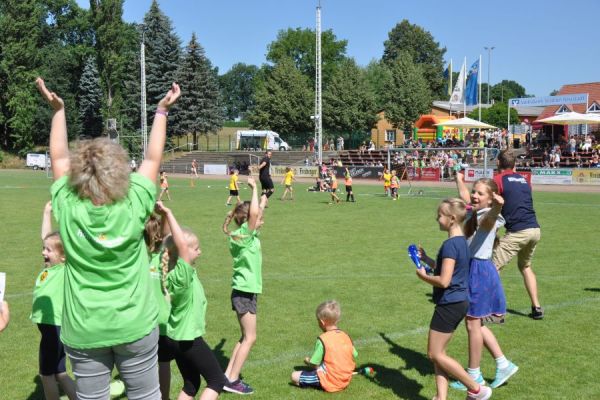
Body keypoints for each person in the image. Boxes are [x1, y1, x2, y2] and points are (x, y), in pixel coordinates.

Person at [37, 77, 180, 400]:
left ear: (79, 172)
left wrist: (58, 110)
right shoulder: (134, 203)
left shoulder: (69, 207)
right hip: (135, 325)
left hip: (84, 328)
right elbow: (153, 159)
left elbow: (59, 158)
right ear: (118, 171)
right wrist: (161, 111)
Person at [416, 198, 492, 400]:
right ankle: (441, 397)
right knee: (439, 352)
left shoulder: (450, 245)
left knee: (434, 354)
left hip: (449, 302)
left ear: (451, 219)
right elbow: (451, 270)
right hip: (459, 301)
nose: (436, 218)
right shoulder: (461, 243)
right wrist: (427, 260)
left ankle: (477, 389)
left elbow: (444, 280)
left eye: (439, 215)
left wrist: (423, 277)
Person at [450, 174, 519, 391]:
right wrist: (459, 179)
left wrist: (498, 207)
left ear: (491, 198)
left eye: (480, 193)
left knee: (472, 324)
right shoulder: (476, 211)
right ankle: (503, 364)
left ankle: (475, 376)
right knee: (476, 323)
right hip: (476, 270)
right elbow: (466, 199)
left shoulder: (488, 217)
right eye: (474, 191)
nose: (474, 195)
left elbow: (490, 217)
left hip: (479, 272)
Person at [157, 202, 226, 400]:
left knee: (191, 383)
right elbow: (178, 245)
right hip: (188, 339)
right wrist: (169, 213)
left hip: (174, 338)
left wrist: (165, 218)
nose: (200, 252)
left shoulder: (170, 269)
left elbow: (167, 241)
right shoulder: (182, 274)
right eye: (196, 249)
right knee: (216, 381)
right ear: (183, 253)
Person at [222, 177, 267, 395]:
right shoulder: (246, 236)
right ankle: (232, 380)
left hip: (243, 291)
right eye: (259, 218)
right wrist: (255, 188)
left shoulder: (241, 235)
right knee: (251, 337)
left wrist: (264, 197)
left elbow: (258, 213)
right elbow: (255, 215)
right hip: (245, 292)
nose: (262, 221)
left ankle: (228, 374)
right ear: (249, 219)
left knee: (244, 336)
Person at [30, 202, 77, 400]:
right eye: (44, 249)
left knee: (46, 375)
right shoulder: (49, 269)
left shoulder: (64, 269)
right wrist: (46, 213)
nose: (43, 253)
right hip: (51, 328)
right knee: (59, 372)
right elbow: (46, 237)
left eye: (48, 251)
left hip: (54, 327)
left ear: (64, 256)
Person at [492, 149, 543, 319]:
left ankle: (495, 309)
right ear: (515, 164)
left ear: (498, 163)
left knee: (493, 268)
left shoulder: (498, 180)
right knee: (525, 266)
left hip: (518, 231)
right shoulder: (523, 180)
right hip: (534, 229)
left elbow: (495, 206)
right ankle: (536, 307)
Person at [291, 300, 357, 392]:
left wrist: (308, 361)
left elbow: (315, 364)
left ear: (322, 322)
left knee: (294, 376)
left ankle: (321, 383)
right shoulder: (345, 336)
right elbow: (354, 354)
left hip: (331, 380)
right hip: (346, 378)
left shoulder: (323, 339)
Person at [144, 211, 172, 400]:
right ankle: (165, 398)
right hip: (162, 321)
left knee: (145, 365)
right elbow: (169, 235)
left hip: (145, 321)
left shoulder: (138, 258)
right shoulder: (165, 256)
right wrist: (166, 215)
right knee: (163, 363)